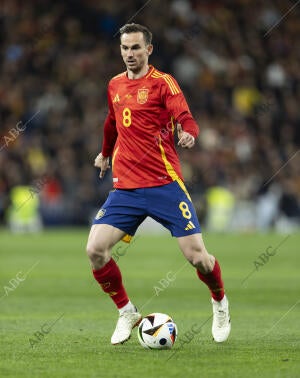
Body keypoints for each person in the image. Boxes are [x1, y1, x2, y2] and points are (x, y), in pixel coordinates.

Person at [86, 23, 231, 345]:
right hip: (126, 187)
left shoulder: (163, 83)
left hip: (164, 184)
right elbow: (111, 122)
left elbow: (185, 115)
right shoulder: (114, 85)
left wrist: (188, 132)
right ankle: (126, 311)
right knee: (95, 250)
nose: (129, 54)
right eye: (125, 48)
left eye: (136, 48)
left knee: (198, 258)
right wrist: (105, 153)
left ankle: (219, 301)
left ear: (148, 50)